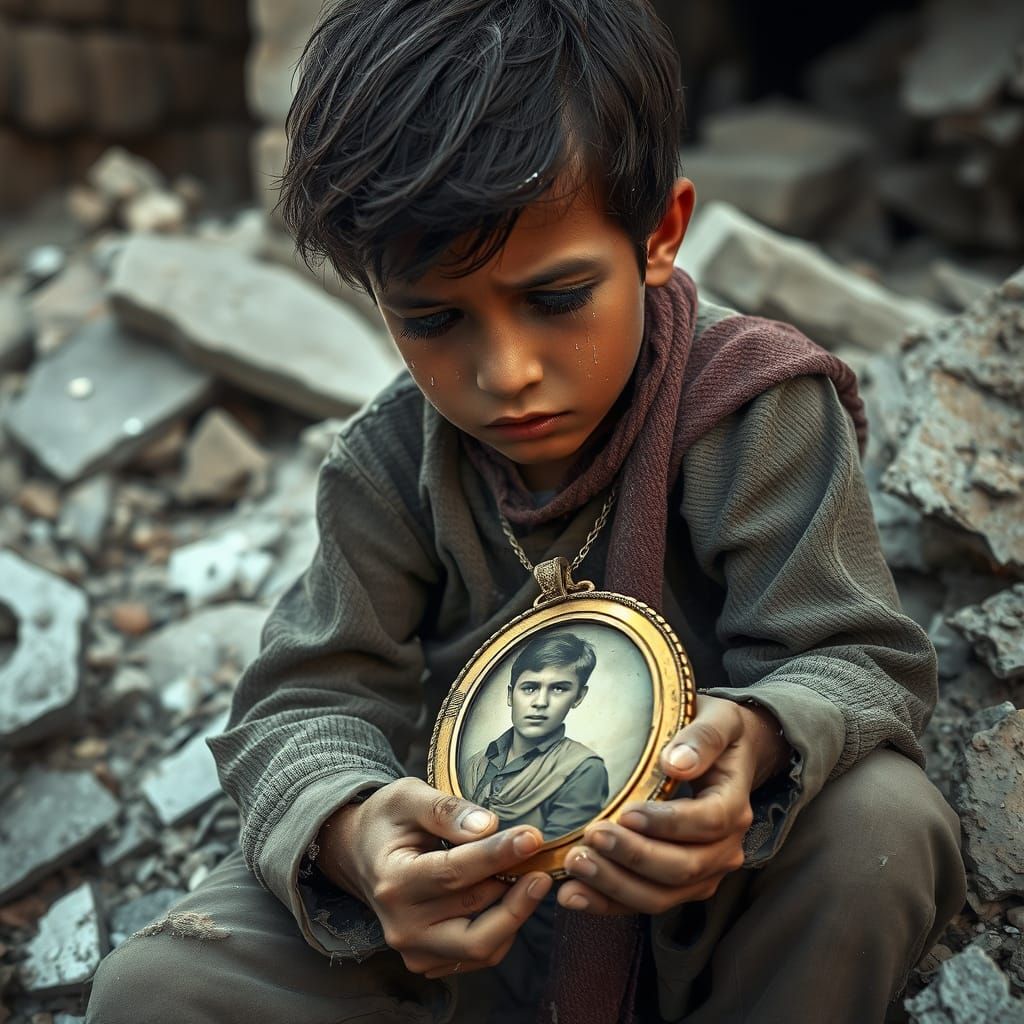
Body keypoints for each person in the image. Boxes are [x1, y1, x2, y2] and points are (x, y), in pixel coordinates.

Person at [85, 1, 966, 1022]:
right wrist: (360, 835)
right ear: (377, 298)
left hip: (699, 899)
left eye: (556, 298)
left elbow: (861, 661)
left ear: (660, 234)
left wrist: (762, 745)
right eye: (433, 318)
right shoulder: (387, 461)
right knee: (158, 987)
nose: (506, 374)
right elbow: (300, 703)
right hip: (466, 929)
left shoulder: (752, 407)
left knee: (880, 830)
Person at [463, 631, 609, 841]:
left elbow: (558, 854)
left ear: (578, 697)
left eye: (558, 689)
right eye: (530, 688)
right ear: (510, 695)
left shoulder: (583, 769)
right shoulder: (477, 762)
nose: (540, 702)